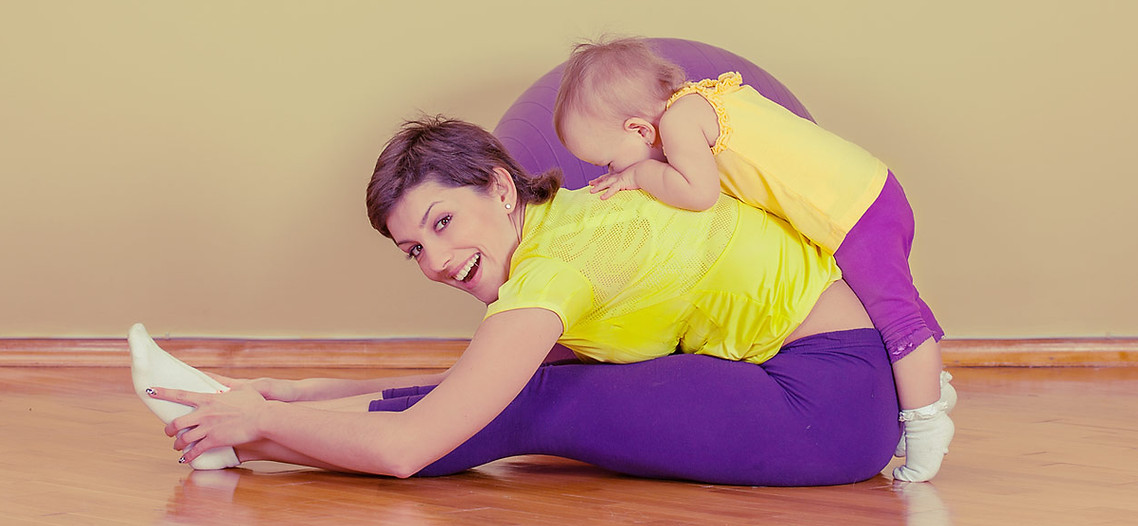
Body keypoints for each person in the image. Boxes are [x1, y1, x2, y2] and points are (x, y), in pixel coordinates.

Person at [142, 115, 903, 486]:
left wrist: (269, 417)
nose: (437, 263)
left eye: (443, 223)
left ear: (501, 189)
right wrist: (311, 392)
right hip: (840, 387)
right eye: (414, 249)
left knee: (535, 403)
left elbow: (411, 447)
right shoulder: (570, 215)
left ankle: (232, 437)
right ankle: (230, 430)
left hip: (823, 406)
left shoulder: (556, 269)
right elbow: (476, 384)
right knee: (530, 389)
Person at [552, 37, 955, 482]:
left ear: (640, 130)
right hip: (866, 193)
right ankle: (930, 387)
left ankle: (926, 422)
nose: (611, 173)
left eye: (609, 161)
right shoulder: (701, 99)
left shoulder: (681, 124)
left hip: (854, 210)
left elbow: (700, 195)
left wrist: (641, 173)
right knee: (897, 303)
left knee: (897, 320)